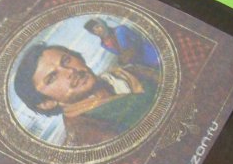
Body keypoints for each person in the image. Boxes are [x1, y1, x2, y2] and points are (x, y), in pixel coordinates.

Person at [14, 44, 158, 147]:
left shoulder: (124, 74)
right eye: (52, 77)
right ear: (47, 103)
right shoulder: (88, 136)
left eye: (66, 61)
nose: (70, 71)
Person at [84, 18, 160, 69]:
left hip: (148, 52)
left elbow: (138, 39)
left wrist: (130, 51)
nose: (97, 31)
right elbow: (119, 54)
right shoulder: (103, 44)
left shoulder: (120, 29)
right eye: (93, 31)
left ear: (102, 24)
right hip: (138, 61)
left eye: (98, 27)